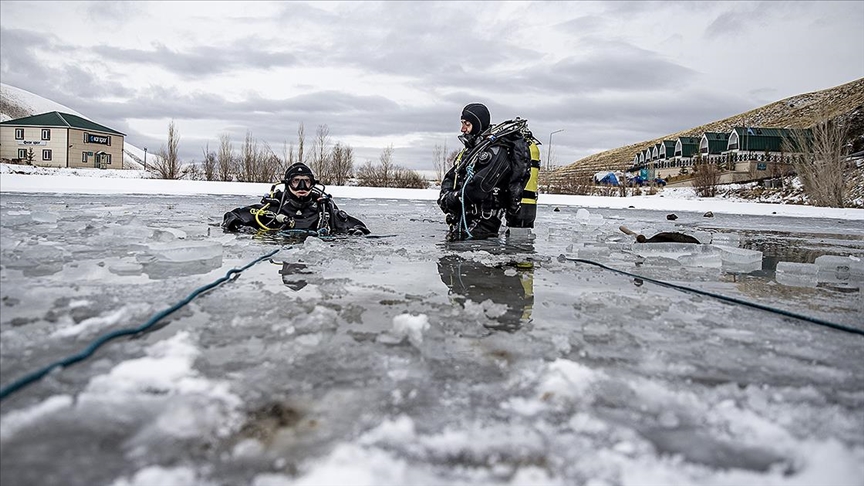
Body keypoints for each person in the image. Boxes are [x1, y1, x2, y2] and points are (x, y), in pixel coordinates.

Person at [438, 103, 531, 241]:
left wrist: (451, 198)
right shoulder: (472, 151)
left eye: (467, 124)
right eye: (462, 123)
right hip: (465, 219)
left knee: (466, 257)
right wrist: (447, 197)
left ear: (478, 124)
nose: (462, 129)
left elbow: (477, 189)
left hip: (484, 223)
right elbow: (451, 176)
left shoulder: (497, 152)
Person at [222, 162, 370, 236]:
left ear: (313, 183)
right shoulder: (274, 207)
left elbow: (356, 226)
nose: (302, 186)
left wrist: (357, 233)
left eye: (306, 181)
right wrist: (237, 225)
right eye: (296, 181)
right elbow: (235, 215)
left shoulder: (324, 208)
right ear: (287, 183)